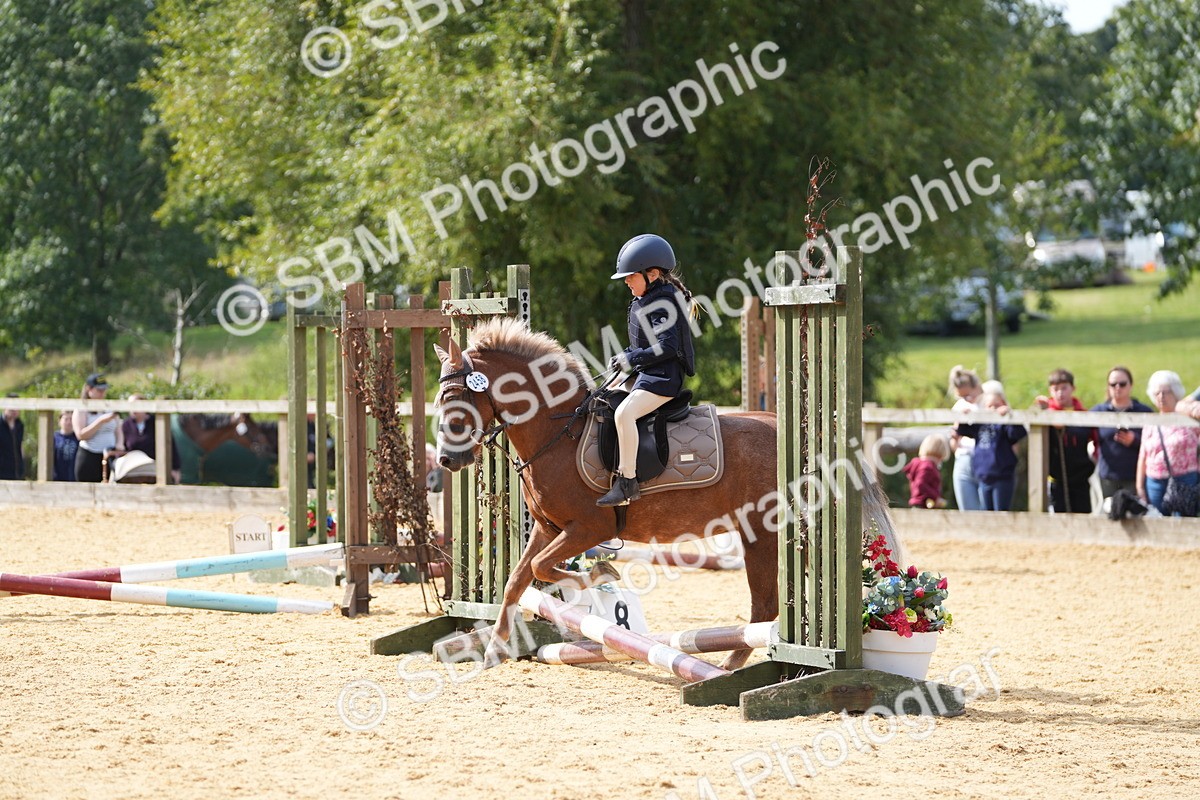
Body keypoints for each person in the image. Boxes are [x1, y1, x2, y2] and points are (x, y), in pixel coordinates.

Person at [596, 233, 696, 508]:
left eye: (631, 276)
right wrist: (623, 357)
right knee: (602, 398)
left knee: (625, 414)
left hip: (663, 380)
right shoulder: (646, 299)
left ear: (651, 274)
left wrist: (632, 358)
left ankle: (627, 481)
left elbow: (667, 347)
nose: (626, 281)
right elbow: (641, 345)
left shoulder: (663, 302)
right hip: (648, 375)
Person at [1033, 368, 1097, 514]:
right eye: (1056, 389)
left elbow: (1094, 439)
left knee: (1083, 515)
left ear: (1073, 388)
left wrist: (1093, 460)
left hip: (1081, 477)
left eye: (1064, 388)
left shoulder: (1083, 414)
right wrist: (1043, 412)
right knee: (1058, 515)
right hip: (1057, 478)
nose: (1060, 393)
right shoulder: (1045, 412)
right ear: (1050, 391)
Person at [1136, 370, 1200, 516]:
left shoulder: (1189, 420)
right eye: (1157, 393)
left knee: (1183, 522)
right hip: (1155, 481)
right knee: (1158, 520)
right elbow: (1143, 456)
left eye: (1166, 392)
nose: (1161, 397)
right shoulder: (1150, 422)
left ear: (1175, 393)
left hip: (1185, 480)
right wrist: (1140, 487)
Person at [954, 388, 1028, 511]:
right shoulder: (980, 424)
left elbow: (1017, 434)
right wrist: (964, 416)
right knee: (986, 513)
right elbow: (963, 430)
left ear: (1003, 404)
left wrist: (1010, 416)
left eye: (997, 405)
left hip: (1002, 477)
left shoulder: (1004, 425)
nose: (993, 409)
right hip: (984, 477)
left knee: (1000, 512)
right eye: (989, 406)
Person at [1090, 366, 1153, 499]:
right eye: (1113, 384)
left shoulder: (1145, 412)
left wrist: (1135, 440)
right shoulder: (1098, 411)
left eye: (1122, 384)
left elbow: (1156, 444)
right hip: (1107, 478)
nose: (1118, 387)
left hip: (1136, 478)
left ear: (1131, 385)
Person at [72, 374, 124, 483]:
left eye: (104, 390)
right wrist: (100, 421)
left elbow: (118, 430)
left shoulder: (109, 407)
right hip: (89, 457)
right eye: (99, 390)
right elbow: (81, 435)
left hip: (110, 455)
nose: (102, 393)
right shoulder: (81, 409)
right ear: (89, 389)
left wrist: (119, 445)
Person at [120, 394, 182, 483]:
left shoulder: (156, 422)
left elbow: (169, 444)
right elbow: (122, 448)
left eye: (136, 405)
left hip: (154, 470)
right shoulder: (126, 425)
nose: (133, 409)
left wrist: (175, 468)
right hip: (132, 471)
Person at [947, 366, 984, 511]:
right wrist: (958, 430)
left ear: (976, 387)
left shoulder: (987, 404)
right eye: (962, 397)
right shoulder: (959, 407)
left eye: (968, 395)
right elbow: (954, 446)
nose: (966, 400)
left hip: (984, 459)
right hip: (963, 459)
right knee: (967, 511)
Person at [904, 433, 950, 508]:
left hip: (921, 503)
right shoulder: (927, 467)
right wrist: (935, 497)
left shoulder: (919, 464)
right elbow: (920, 484)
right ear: (939, 456)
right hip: (922, 503)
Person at [1, 401, 25, 480]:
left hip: (16, 472)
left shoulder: (20, 425)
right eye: (11, 408)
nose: (14, 410)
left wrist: (22, 466)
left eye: (16, 408)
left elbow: (20, 446)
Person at [53, 410, 79, 481]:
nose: (69, 422)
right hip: (57, 478)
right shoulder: (54, 438)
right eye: (66, 419)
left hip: (74, 478)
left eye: (71, 419)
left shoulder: (78, 438)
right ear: (59, 421)